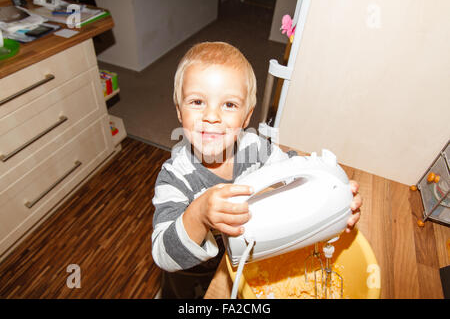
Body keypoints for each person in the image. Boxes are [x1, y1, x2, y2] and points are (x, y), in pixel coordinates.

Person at [151, 41, 362, 298]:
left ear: (247, 116)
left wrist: (336, 202)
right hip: (192, 284)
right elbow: (163, 255)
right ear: (178, 111)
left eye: (229, 104)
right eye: (197, 101)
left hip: (249, 269)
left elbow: (296, 174)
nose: (212, 116)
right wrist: (199, 215)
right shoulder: (174, 178)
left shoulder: (259, 150)